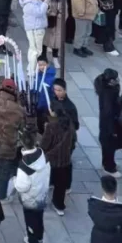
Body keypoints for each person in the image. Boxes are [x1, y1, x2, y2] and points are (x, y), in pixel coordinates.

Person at [42, 76, 78, 213]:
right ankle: (59, 204)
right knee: (61, 180)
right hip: (65, 155)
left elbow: (45, 143)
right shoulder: (67, 124)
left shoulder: (52, 126)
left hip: (54, 156)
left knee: (58, 175)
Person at [12, 137, 48, 243]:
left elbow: (22, 186)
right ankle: (40, 239)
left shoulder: (24, 164)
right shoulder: (43, 155)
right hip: (42, 193)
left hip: (30, 198)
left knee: (31, 222)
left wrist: (15, 180)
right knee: (39, 218)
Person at [94, 68, 122, 175]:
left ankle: (107, 163)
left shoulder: (106, 88)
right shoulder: (108, 93)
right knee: (110, 144)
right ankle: (109, 166)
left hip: (108, 122)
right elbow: (108, 112)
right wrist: (112, 129)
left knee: (108, 144)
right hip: (110, 123)